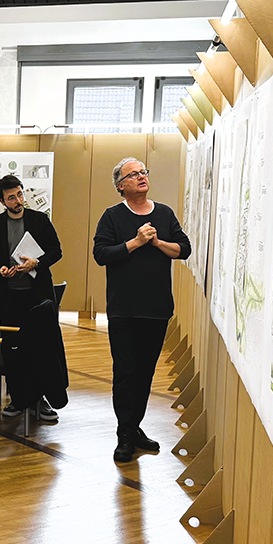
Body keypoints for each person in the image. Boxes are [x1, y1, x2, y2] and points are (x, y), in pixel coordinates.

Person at [92, 158, 191, 464]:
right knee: (125, 372)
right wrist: (135, 242)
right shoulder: (112, 216)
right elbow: (101, 254)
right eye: (133, 174)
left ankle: (134, 428)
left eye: (143, 172)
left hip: (157, 309)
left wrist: (157, 242)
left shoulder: (164, 213)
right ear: (120, 186)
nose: (141, 177)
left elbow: (183, 249)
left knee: (145, 373)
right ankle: (124, 434)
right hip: (123, 310)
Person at [0, 174, 63, 422]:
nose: (18, 200)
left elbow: (56, 251)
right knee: (13, 350)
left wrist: (37, 262)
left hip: (37, 297)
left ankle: (40, 399)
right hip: (9, 297)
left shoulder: (40, 220)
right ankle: (18, 398)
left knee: (41, 349)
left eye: (20, 194)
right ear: (2, 201)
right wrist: (0, 270)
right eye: (11, 198)